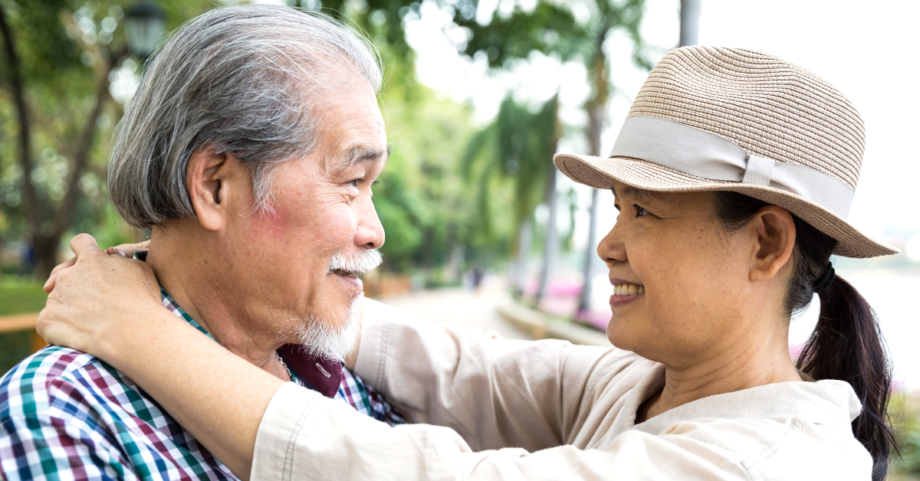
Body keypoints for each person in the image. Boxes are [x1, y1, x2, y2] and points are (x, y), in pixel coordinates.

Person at [36, 46, 898, 480]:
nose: (608, 243)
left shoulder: (768, 459)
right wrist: (264, 281)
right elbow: (467, 367)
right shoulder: (645, 384)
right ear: (212, 185)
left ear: (768, 242)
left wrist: (140, 331)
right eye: (614, 208)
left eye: (645, 212)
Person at [0, 6, 407, 480]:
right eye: (352, 180)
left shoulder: (350, 382)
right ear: (216, 186)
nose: (375, 230)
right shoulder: (63, 413)